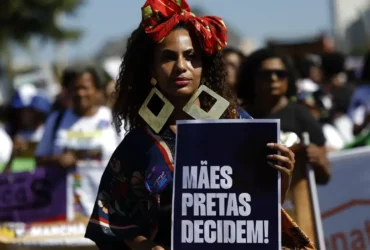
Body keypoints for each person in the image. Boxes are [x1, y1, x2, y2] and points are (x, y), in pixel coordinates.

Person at [84, 1, 315, 250]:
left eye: (191, 57)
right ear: (151, 69)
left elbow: (260, 215)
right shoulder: (139, 144)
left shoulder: (238, 125)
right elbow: (114, 225)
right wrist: (145, 247)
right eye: (168, 57)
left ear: (204, 66)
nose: (182, 66)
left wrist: (283, 177)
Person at [35, 66, 120, 216]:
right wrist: (57, 159)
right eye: (74, 88)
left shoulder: (114, 120)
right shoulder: (56, 120)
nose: (80, 93)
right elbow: (39, 160)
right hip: (65, 213)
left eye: (85, 88)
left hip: (108, 212)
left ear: (98, 90)